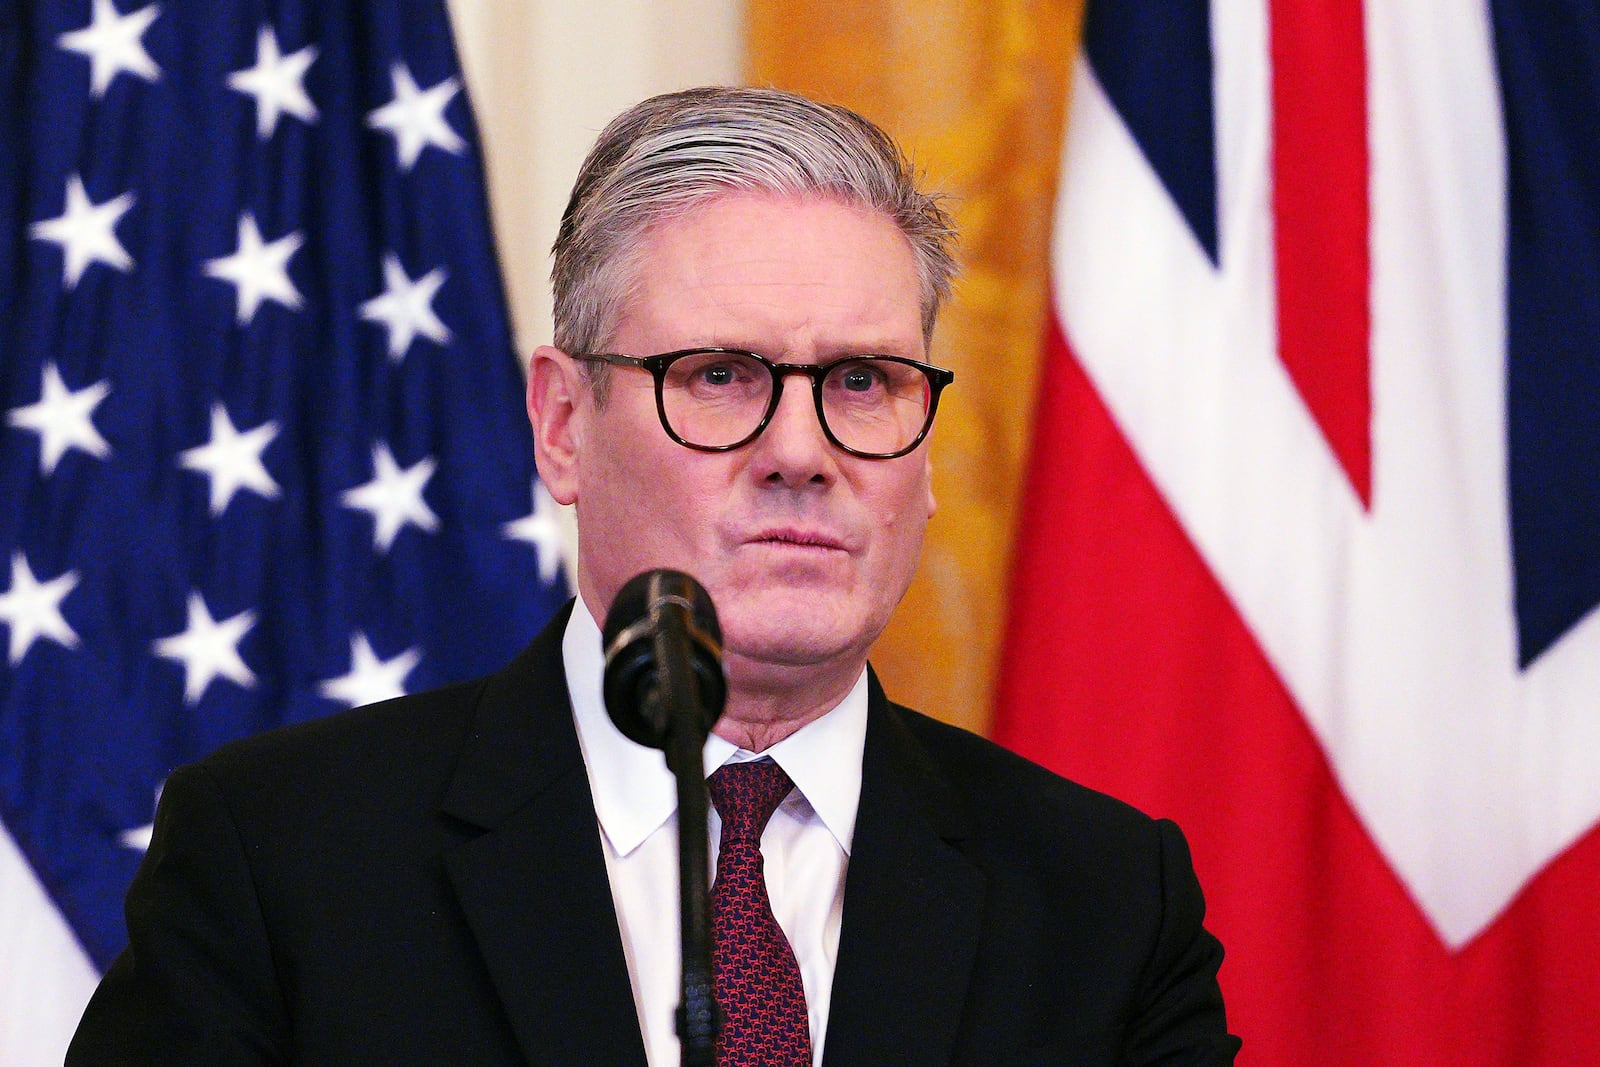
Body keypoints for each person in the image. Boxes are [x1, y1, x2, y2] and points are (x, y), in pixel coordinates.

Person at [69, 86, 1240, 1065]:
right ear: (562, 423)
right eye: (722, 375)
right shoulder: (283, 858)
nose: (800, 452)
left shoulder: (1103, 901)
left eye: (865, 382)